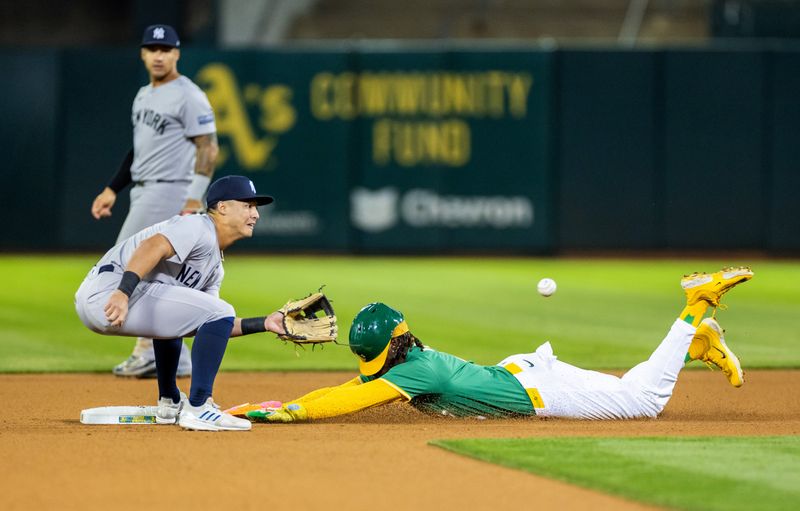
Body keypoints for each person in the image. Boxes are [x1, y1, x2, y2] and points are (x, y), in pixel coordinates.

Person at [247, 267, 753, 423]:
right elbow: (346, 387)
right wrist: (278, 405)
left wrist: (291, 413)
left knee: (644, 402)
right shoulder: (405, 359)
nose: (372, 366)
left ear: (389, 348)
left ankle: (695, 308)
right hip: (523, 374)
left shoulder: (411, 373)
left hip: (538, 390)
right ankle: (694, 346)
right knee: (633, 390)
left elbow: (346, 399)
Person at [76, 175, 287, 432]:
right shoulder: (198, 226)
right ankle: (199, 407)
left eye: (255, 208)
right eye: (248, 206)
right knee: (214, 310)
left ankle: (169, 401)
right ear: (222, 207)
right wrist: (123, 292)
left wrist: (264, 323)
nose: (255, 214)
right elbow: (151, 246)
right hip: (109, 293)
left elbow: (214, 324)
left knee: (191, 314)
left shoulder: (214, 268)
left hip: (113, 297)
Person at [90, 24, 219, 379]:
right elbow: (139, 151)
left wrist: (194, 197)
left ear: (177, 53)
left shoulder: (189, 95)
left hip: (171, 191)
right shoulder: (143, 95)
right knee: (152, 273)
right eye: (152, 48)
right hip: (143, 189)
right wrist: (113, 188)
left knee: (130, 265)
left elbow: (208, 146)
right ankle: (170, 353)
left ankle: (151, 351)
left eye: (165, 49)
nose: (158, 55)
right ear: (143, 54)